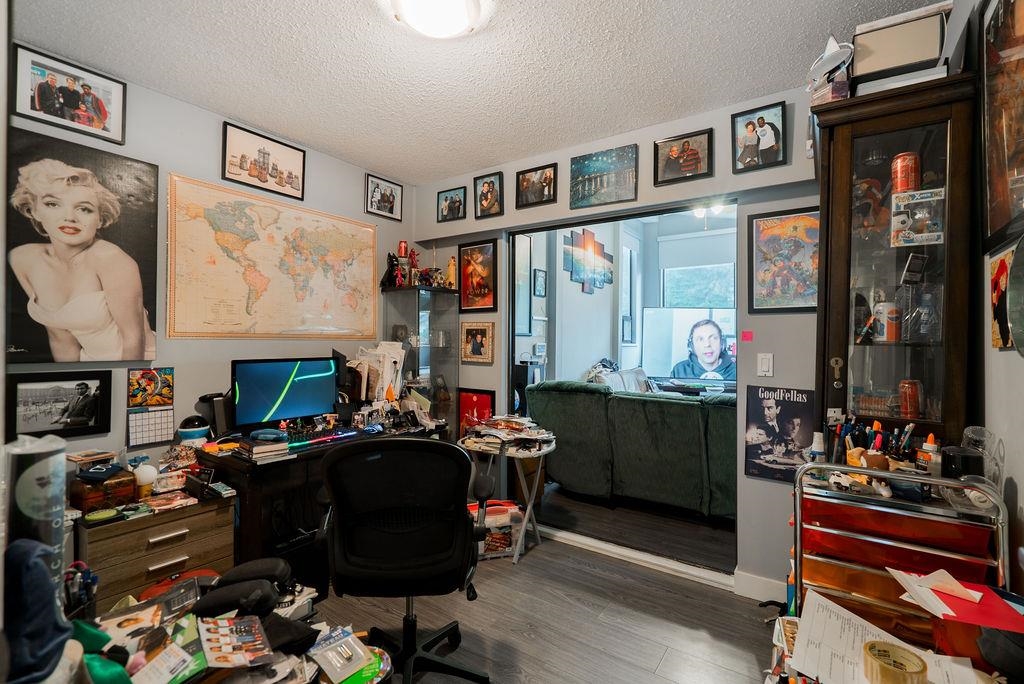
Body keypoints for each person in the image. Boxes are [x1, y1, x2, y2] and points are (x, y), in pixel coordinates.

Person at [8, 158, 156, 361]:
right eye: (53, 204)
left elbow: (133, 340)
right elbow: (60, 339)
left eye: (84, 208)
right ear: (34, 211)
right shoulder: (22, 258)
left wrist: (122, 388)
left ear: (100, 219)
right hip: (91, 366)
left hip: (139, 364)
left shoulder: (111, 259)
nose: (70, 217)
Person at [670, 319, 736, 380]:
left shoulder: (736, 371)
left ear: (722, 343)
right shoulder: (679, 370)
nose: (707, 344)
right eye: (700, 339)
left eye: (713, 338)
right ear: (691, 346)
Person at [992, 257, 1012, 347]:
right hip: (1001, 317)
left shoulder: (1004, 293)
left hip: (1003, 317)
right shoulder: (999, 293)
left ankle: (1005, 340)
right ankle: (1005, 340)